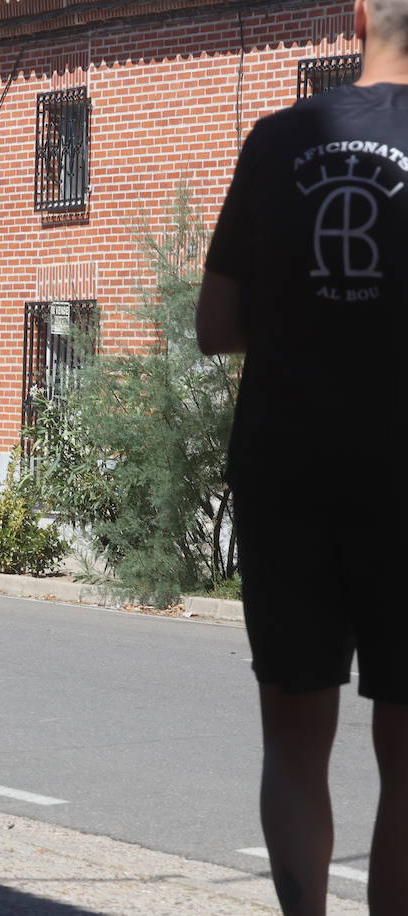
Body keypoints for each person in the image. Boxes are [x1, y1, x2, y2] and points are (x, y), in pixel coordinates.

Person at [196, 2, 408, 912]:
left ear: (359, 14)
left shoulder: (278, 139)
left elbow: (214, 326)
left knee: (293, 742)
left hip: (287, 471)